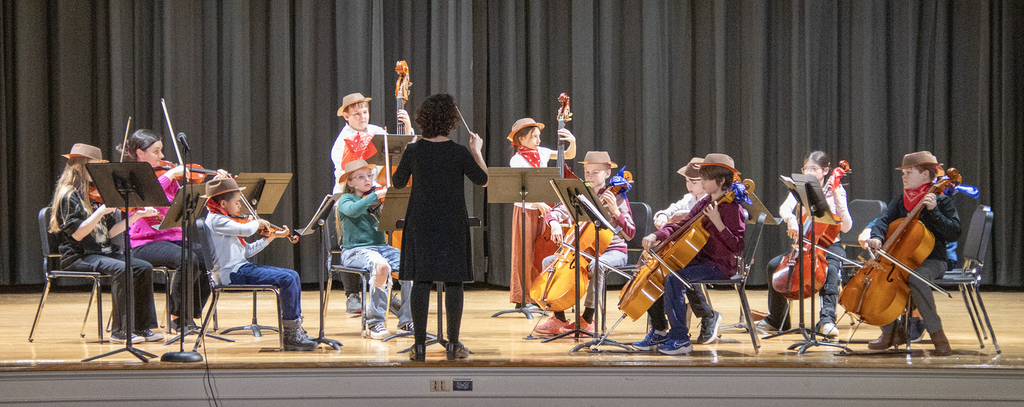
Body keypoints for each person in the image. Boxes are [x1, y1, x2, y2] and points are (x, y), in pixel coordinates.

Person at [392, 93, 488, 361]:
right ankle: (453, 345)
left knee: (421, 280)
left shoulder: (414, 150)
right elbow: (483, 180)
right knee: (453, 281)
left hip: (421, 223)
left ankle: (419, 346)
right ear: (451, 121)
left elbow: (398, 183)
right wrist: (476, 150)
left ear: (424, 119)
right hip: (452, 222)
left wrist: (409, 146)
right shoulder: (458, 152)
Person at [633, 153, 746, 355]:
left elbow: (737, 246)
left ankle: (680, 339)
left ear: (720, 181)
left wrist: (718, 223)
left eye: (705, 177)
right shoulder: (704, 204)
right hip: (700, 261)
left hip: (720, 266)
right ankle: (659, 331)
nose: (701, 181)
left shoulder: (732, 208)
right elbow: (680, 226)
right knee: (658, 271)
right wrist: (656, 235)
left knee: (675, 278)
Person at [49, 143, 163, 344]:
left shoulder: (96, 193)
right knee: (122, 268)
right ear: (79, 166)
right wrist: (100, 212)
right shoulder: (69, 196)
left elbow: (109, 233)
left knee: (142, 267)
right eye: (95, 166)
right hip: (79, 255)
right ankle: (120, 332)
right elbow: (77, 234)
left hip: (101, 252)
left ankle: (141, 327)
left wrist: (137, 215)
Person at [119, 129, 230, 331]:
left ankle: (190, 314)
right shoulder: (132, 177)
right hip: (145, 243)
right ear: (139, 153)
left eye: (161, 151)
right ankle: (178, 315)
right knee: (187, 259)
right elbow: (145, 195)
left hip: (173, 238)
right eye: (156, 151)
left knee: (210, 257)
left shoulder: (169, 178)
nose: (162, 156)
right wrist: (170, 174)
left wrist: (216, 184)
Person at [862, 151, 959, 355]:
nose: (904, 176)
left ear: (925, 174)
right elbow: (883, 220)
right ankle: (891, 331)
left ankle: (937, 335)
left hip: (932, 260)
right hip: (901, 259)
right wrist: (877, 237)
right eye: (903, 172)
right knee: (873, 277)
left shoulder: (941, 201)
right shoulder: (900, 201)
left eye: (909, 172)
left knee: (917, 277)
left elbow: (954, 232)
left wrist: (934, 212)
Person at [202, 178, 317, 351]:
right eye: (237, 202)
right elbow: (248, 230)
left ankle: (295, 330)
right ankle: (291, 336)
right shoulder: (216, 220)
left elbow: (246, 251)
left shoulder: (226, 219)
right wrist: (259, 222)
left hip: (240, 268)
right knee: (287, 278)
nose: (240, 206)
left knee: (292, 275)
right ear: (223, 203)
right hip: (232, 274)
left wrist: (270, 237)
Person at [533, 151, 635, 335]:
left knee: (597, 265)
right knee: (549, 262)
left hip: (614, 251)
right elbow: (556, 212)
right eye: (587, 172)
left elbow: (630, 234)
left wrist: (616, 213)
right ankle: (559, 319)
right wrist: (554, 223)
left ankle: (588, 318)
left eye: (595, 172)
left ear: (607, 173)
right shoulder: (580, 195)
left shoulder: (618, 197)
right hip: (585, 250)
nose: (589, 176)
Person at [332, 92, 414, 314]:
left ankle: (391, 298)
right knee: (351, 242)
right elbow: (348, 171)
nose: (362, 117)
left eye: (365, 112)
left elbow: (402, 149)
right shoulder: (342, 141)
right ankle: (352, 296)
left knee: (379, 245)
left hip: (375, 190)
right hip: (350, 195)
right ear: (346, 116)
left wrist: (406, 130)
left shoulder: (377, 132)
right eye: (357, 113)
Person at [755, 151, 853, 337]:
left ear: (825, 171)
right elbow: (784, 208)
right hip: (805, 244)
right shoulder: (802, 189)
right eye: (805, 168)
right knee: (773, 266)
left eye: (813, 169)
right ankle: (777, 319)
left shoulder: (837, 191)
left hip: (830, 246)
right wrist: (791, 220)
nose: (808, 172)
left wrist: (838, 200)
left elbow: (847, 227)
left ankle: (827, 320)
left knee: (830, 270)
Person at [337, 159, 413, 340]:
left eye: (370, 176)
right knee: (380, 266)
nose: (367, 180)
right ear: (350, 182)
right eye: (361, 177)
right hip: (355, 251)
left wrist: (390, 204)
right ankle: (375, 322)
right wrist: (377, 195)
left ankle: (407, 320)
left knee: (412, 265)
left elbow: (395, 220)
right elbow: (354, 210)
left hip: (381, 247)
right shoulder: (346, 199)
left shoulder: (375, 198)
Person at [506, 117, 576, 308]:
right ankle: (522, 298)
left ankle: (540, 293)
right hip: (526, 209)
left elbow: (567, 155)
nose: (538, 140)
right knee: (524, 253)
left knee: (541, 253)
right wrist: (537, 203)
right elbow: (519, 187)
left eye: (539, 136)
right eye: (533, 137)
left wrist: (572, 140)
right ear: (520, 139)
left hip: (545, 209)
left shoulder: (543, 153)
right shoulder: (517, 160)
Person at [654, 157, 707, 230]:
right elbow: (673, 208)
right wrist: (663, 215)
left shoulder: (712, 199)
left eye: (694, 182)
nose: (689, 185)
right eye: (687, 181)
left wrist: (688, 214)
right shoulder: (688, 198)